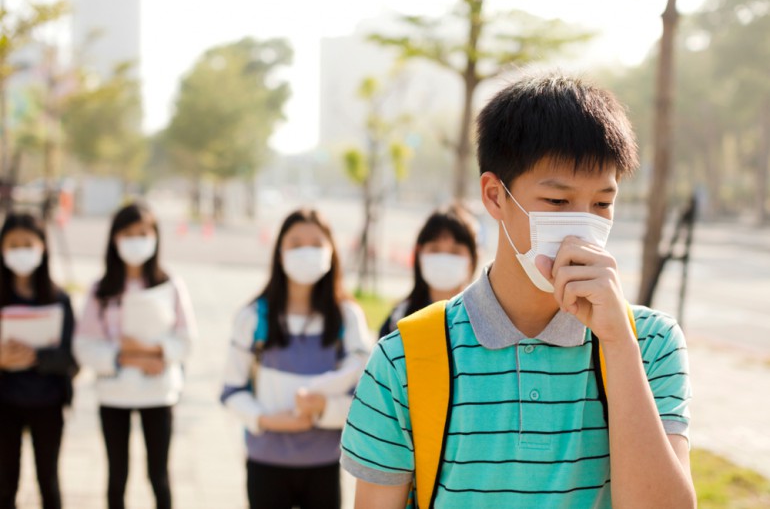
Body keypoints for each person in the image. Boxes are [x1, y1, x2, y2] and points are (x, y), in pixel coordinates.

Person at [341, 73, 696, 508]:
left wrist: (618, 342)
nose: (583, 224)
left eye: (602, 203)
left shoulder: (652, 343)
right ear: (494, 196)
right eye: (557, 202)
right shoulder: (404, 359)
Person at [221, 208, 371, 509]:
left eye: (316, 244)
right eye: (296, 243)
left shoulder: (347, 318)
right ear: (279, 252)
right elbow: (231, 391)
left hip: (325, 464)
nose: (306, 252)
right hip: (265, 462)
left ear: (332, 253)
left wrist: (324, 408)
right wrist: (266, 420)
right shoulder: (253, 317)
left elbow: (365, 398)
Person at [74, 202, 196, 509]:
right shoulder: (101, 290)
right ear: (115, 239)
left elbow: (187, 341)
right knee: (117, 477)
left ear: (155, 237)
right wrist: (125, 357)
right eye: (128, 234)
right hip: (114, 394)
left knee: (159, 476)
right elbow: (84, 345)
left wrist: (148, 350)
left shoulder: (170, 285)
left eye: (143, 233)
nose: (136, 240)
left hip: (159, 392)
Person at [0, 212, 78, 509]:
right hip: (5, 401)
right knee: (5, 482)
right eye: (13, 244)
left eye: (27, 244)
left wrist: (35, 355)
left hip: (47, 400)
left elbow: (71, 357)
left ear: (43, 246)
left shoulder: (58, 299)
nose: (21, 251)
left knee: (49, 481)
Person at [379, 204, 478, 338]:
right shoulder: (399, 319)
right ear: (419, 255)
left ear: (472, 259)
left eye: (455, 251)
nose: (444, 260)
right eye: (435, 250)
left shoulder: (482, 318)